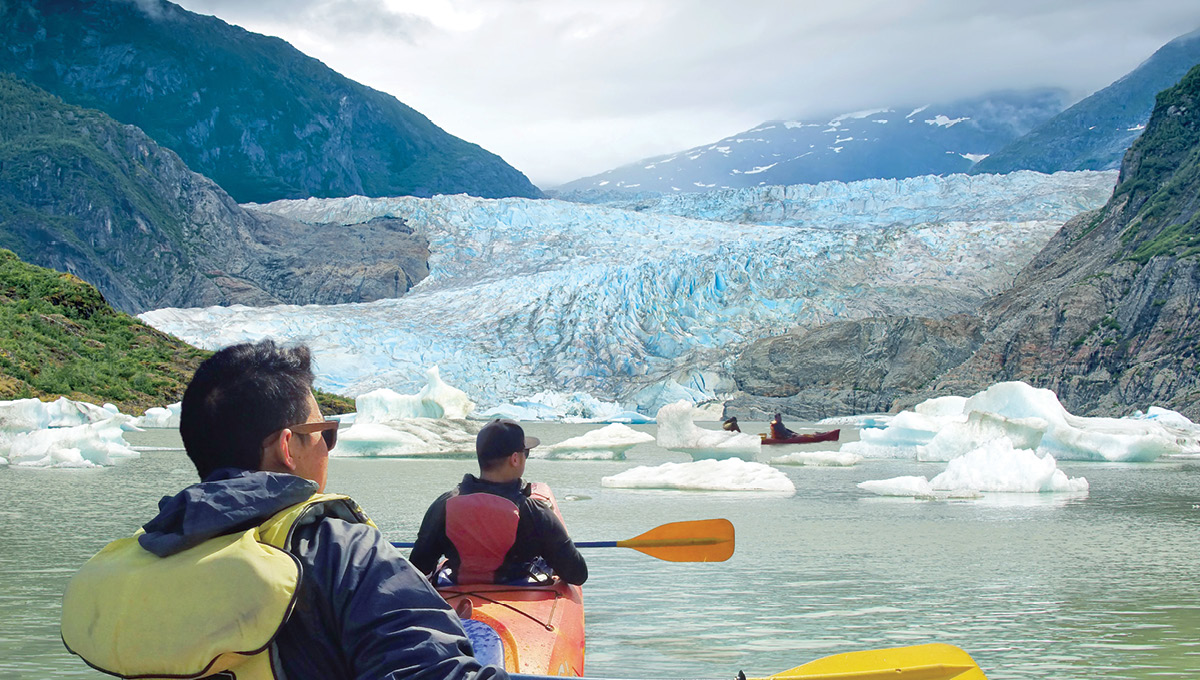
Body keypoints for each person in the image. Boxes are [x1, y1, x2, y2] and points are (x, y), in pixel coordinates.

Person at [61, 340, 507, 680]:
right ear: (288, 447)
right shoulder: (340, 549)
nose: (330, 448)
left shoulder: (155, 546)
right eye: (324, 433)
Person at [410, 419, 588, 586]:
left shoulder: (444, 505)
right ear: (515, 459)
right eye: (525, 453)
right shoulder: (534, 512)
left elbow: (419, 567)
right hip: (519, 592)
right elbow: (577, 574)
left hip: (459, 592)